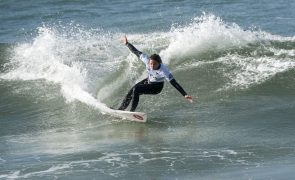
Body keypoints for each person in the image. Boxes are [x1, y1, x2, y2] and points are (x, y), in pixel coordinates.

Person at [117, 36, 193, 112]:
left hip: (156, 87)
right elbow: (136, 51)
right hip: (149, 80)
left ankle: (132, 112)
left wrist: (185, 95)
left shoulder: (164, 70)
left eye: (154, 64)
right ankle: (121, 109)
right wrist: (127, 43)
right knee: (132, 91)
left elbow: (174, 83)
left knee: (136, 89)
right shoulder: (147, 60)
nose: (152, 66)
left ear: (159, 63)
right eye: (151, 64)